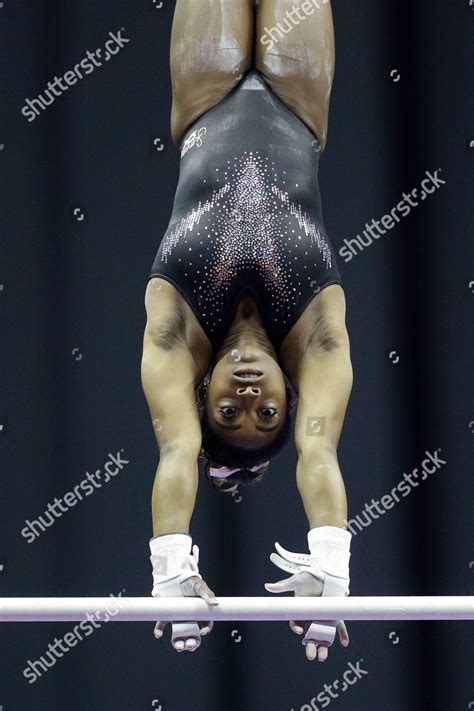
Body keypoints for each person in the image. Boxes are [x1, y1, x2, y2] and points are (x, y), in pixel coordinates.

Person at [141, 0, 353, 661]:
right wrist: (333, 561)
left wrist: (171, 566)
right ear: (292, 398)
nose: (250, 392)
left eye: (230, 410)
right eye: (268, 412)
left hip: (205, 95)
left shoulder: (176, 330)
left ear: (200, 396)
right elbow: (318, 451)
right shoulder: (317, 337)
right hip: (297, 98)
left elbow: (177, 451)